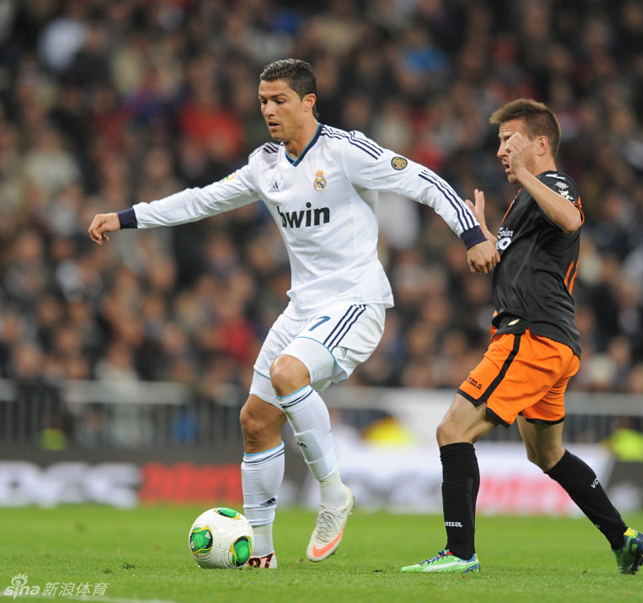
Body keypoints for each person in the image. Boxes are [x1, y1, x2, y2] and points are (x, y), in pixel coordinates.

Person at [88, 58, 499, 568]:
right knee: (256, 420)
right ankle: (260, 553)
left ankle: (333, 494)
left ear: (308, 102)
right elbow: (200, 201)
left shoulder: (346, 151)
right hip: (302, 308)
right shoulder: (265, 164)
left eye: (279, 99)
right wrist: (126, 218)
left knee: (288, 374)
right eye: (262, 101)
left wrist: (473, 234)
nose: (268, 110)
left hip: (355, 300)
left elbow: (425, 182)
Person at [401, 99, 643, 575]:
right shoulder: (521, 205)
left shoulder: (555, 184)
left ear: (540, 143)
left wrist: (529, 177)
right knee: (546, 452)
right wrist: (480, 234)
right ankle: (623, 536)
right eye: (498, 142)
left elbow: (573, 219)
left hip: (530, 337)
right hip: (551, 340)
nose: (500, 150)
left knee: (453, 430)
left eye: (508, 140)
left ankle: (459, 553)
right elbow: (499, 263)